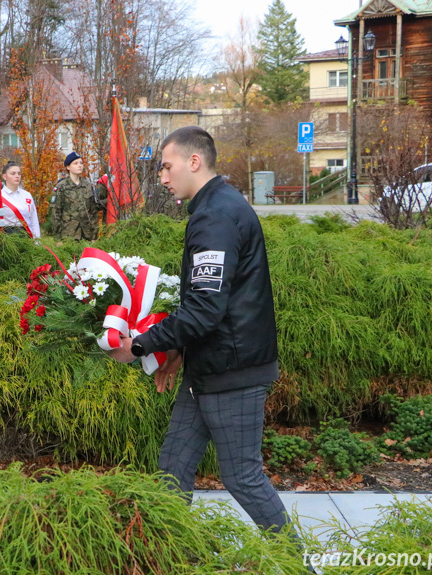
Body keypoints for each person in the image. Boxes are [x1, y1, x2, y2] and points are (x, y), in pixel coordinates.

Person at [109, 126, 291, 535]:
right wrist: (176, 353)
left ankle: (298, 563)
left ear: (194, 162)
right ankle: (171, 556)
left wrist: (140, 345)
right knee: (173, 471)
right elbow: (206, 303)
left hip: (231, 373)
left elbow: (206, 309)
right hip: (207, 369)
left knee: (242, 477)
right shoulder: (214, 209)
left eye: (166, 167)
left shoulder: (217, 216)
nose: (162, 177)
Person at [49, 151, 106, 241]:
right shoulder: (61, 187)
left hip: (86, 235)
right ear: (68, 167)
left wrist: (94, 236)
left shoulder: (87, 185)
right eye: (75, 163)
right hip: (68, 236)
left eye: (81, 163)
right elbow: (56, 214)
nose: (79, 165)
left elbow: (93, 212)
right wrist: (58, 239)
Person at [0, 161, 40, 238]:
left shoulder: (27, 195)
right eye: (13, 174)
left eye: (19, 174)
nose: (17, 176)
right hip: (8, 237)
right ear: (4, 176)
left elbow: (34, 220)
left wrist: (37, 240)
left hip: (27, 235)